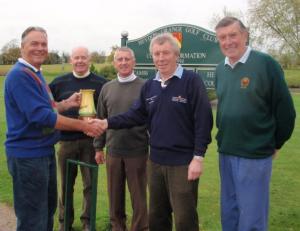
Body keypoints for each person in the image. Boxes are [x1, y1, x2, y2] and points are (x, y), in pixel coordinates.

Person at [97, 33, 213, 231]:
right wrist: (106, 123)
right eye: (157, 54)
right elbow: (133, 116)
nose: (161, 58)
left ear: (176, 55)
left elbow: (204, 121)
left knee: (185, 218)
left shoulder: (191, 82)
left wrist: (198, 157)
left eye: (165, 53)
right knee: (157, 217)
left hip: (183, 163)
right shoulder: (150, 86)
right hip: (155, 161)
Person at [4, 26, 103, 231]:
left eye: (44, 44)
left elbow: (48, 107)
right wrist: (84, 125)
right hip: (28, 157)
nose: (40, 48)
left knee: (46, 211)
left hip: (43, 152)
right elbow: (43, 117)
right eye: (34, 43)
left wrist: (66, 103)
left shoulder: (35, 73)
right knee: (33, 218)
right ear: (22, 47)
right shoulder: (19, 76)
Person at [214, 17, 296, 231]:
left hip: (255, 154)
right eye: (222, 37)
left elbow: (286, 112)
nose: (228, 41)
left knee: (252, 219)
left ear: (245, 34)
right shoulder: (220, 70)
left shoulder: (265, 64)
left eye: (233, 35)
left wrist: (275, 143)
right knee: (229, 213)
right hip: (226, 151)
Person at [49, 46, 107, 231]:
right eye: (76, 57)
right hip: (65, 142)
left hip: (90, 142)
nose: (80, 61)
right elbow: (50, 109)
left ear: (89, 59)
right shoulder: (58, 83)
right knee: (66, 185)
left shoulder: (102, 83)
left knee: (90, 185)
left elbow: (107, 111)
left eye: (83, 57)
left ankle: (87, 223)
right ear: (71, 60)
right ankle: (64, 222)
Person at [93, 47, 149, 231]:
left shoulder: (145, 87)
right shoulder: (107, 88)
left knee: (139, 198)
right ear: (115, 63)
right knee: (114, 197)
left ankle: (139, 228)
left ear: (134, 62)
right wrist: (98, 147)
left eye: (127, 59)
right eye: (120, 59)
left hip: (138, 151)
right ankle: (117, 227)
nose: (123, 63)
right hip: (113, 151)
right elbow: (101, 118)